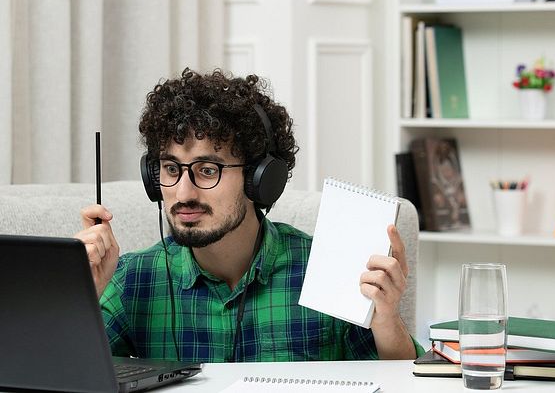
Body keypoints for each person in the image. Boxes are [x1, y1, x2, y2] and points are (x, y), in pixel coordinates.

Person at [75, 68, 424, 362]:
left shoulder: (326, 271)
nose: (183, 193)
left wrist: (386, 321)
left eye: (207, 170)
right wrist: (77, 295)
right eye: (170, 168)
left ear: (260, 179)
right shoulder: (134, 280)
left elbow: (407, 384)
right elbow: (60, 378)